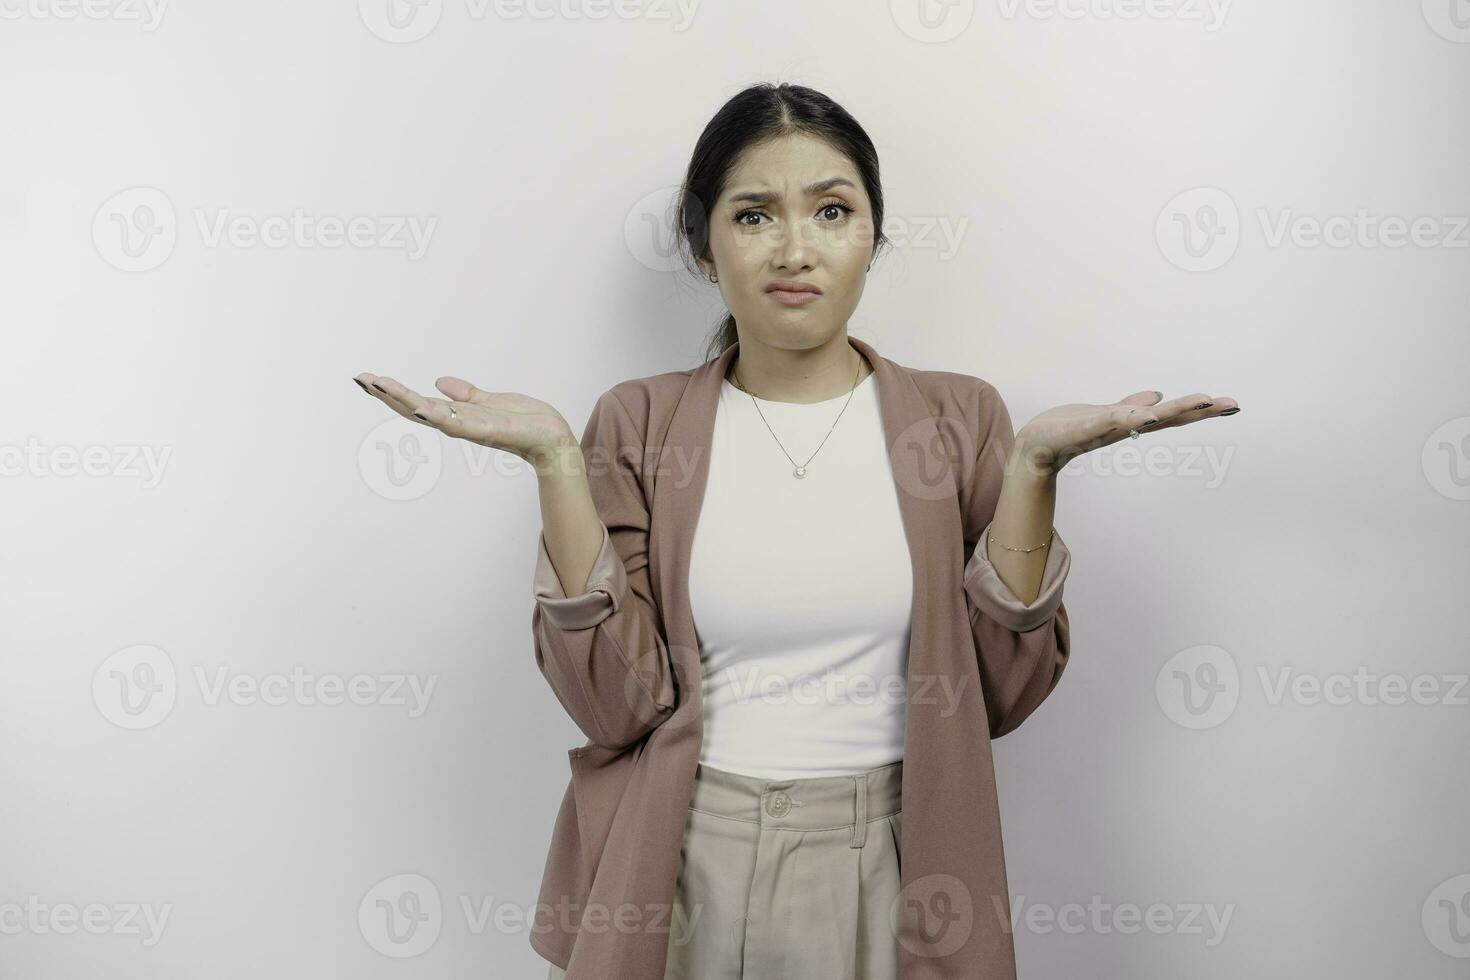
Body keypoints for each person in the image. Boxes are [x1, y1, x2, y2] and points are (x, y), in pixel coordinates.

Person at [354, 82, 1239, 980]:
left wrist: (1036, 470)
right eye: (752, 215)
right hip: (685, 861)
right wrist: (553, 461)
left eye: (831, 209)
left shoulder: (958, 418)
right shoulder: (639, 422)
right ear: (704, 250)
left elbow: (999, 698)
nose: (795, 248)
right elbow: (616, 707)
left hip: (897, 866)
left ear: (872, 236)